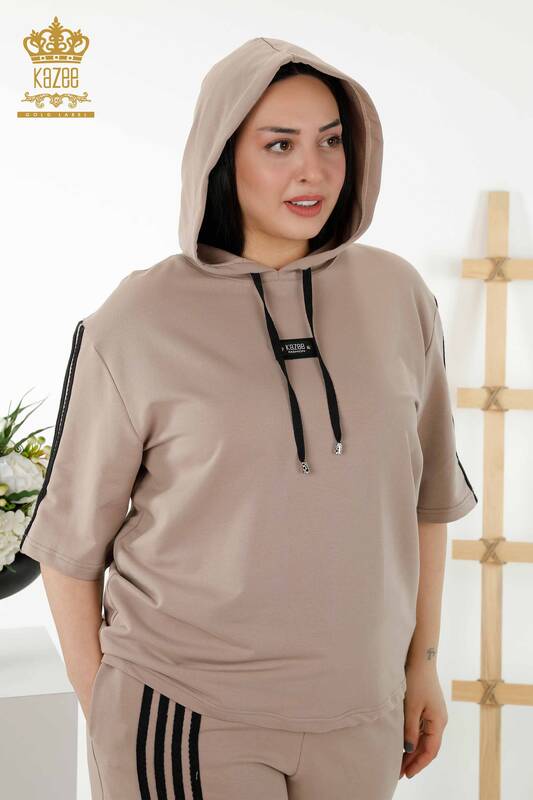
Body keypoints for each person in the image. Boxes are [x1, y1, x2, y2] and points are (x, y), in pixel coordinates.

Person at [20, 36, 478, 800]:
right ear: (220, 155)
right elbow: (69, 547)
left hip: (362, 716)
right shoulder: (138, 318)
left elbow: (426, 502)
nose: (313, 170)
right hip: (187, 716)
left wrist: (420, 666)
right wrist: (105, 711)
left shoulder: (397, 295)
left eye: (331, 141)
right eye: (279, 145)